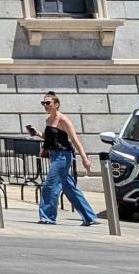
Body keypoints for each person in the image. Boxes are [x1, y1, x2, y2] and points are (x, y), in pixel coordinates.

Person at [38, 90, 99, 226]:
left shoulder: (63, 119)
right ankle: (90, 217)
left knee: (50, 186)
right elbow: (49, 138)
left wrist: (84, 158)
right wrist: (37, 133)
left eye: (48, 103)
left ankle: (47, 217)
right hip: (54, 155)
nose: (45, 105)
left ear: (56, 104)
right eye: (43, 103)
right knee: (69, 188)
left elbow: (74, 139)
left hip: (62, 156)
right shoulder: (48, 120)